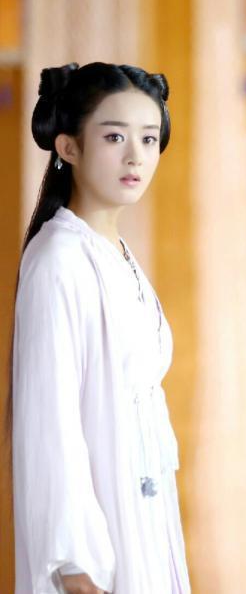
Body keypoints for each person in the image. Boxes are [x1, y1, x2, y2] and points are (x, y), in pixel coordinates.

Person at [11, 62, 191, 594]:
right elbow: (50, 420)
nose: (136, 156)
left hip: (145, 514)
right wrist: (76, 563)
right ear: (68, 147)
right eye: (115, 137)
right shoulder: (59, 258)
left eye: (149, 138)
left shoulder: (116, 253)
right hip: (95, 547)